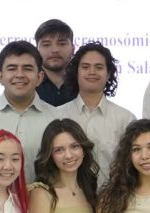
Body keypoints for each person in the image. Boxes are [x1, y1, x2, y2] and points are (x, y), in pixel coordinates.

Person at [0, 40, 58, 181]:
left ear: (39, 77)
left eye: (27, 68)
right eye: (12, 68)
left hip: (45, 201)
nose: (19, 74)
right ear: (0, 77)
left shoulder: (57, 119)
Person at [57, 41, 136, 186]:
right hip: (68, 201)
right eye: (85, 67)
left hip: (113, 200)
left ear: (108, 74)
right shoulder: (58, 115)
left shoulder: (126, 119)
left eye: (99, 67)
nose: (92, 72)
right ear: (76, 72)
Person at [34, 18, 78, 107]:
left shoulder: (83, 81)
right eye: (46, 45)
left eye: (61, 44)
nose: (54, 50)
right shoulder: (29, 83)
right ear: (36, 50)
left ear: (73, 49)